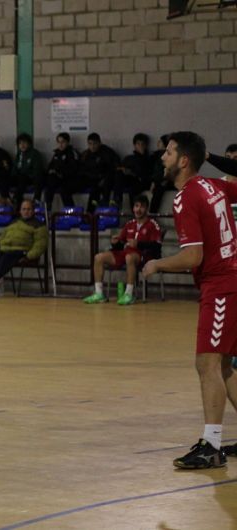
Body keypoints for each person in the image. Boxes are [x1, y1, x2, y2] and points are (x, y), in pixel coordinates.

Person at [143, 132, 237, 469]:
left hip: (222, 285)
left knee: (207, 364)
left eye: (168, 152)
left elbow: (193, 256)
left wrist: (157, 263)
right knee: (224, 365)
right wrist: (211, 157)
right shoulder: (215, 186)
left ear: (183, 160)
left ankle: (211, 446)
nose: (162, 157)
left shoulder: (184, 199)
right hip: (232, 280)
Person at [83, 195, 161, 305]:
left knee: (129, 257)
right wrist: (115, 243)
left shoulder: (153, 224)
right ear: (133, 208)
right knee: (98, 257)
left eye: (142, 207)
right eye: (136, 206)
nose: (138, 209)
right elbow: (121, 244)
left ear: (146, 209)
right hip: (125, 253)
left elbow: (156, 246)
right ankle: (99, 293)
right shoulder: (129, 224)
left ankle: (129, 294)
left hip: (143, 255)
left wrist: (138, 244)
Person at [0, 199, 48, 298]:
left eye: (29, 209)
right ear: (20, 211)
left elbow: (40, 245)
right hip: (6, 250)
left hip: (22, 251)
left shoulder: (39, 226)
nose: (26, 211)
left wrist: (29, 256)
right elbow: (3, 235)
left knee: (6, 259)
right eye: (24, 209)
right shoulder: (14, 222)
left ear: (33, 211)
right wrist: (1, 244)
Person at [79, 133, 120, 212]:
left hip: (106, 179)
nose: (92, 146)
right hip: (92, 179)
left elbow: (114, 167)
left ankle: (104, 210)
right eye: (90, 144)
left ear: (99, 143)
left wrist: (104, 178)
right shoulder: (85, 154)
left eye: (95, 144)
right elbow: (82, 170)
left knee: (99, 188)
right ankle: (89, 215)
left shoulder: (107, 152)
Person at [114, 133, 152, 210]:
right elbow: (121, 168)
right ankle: (117, 200)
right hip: (130, 179)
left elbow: (146, 174)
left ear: (145, 146)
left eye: (142, 144)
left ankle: (134, 212)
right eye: (138, 144)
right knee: (119, 175)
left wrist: (133, 173)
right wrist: (125, 171)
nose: (140, 146)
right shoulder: (129, 158)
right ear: (134, 145)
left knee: (133, 189)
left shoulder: (149, 159)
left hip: (142, 181)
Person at [45, 132, 81, 211]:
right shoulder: (57, 154)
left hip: (72, 180)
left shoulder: (72, 153)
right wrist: (53, 172)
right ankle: (47, 207)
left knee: (64, 190)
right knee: (50, 181)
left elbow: (74, 169)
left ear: (67, 142)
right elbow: (50, 167)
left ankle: (71, 212)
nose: (61, 144)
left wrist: (60, 172)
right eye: (59, 142)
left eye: (63, 142)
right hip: (59, 179)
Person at [12, 133, 45, 208]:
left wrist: (26, 174)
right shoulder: (19, 154)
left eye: (24, 143)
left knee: (37, 178)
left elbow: (37, 170)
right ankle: (15, 201)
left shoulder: (35, 154)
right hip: (22, 177)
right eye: (20, 143)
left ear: (29, 144)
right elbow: (15, 168)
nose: (22, 145)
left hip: (32, 177)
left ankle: (36, 199)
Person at [149, 134, 172, 214]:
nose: (158, 143)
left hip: (167, 180)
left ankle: (152, 214)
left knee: (158, 190)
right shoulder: (157, 155)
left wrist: (155, 182)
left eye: (160, 142)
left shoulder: (164, 154)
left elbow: (161, 170)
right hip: (163, 180)